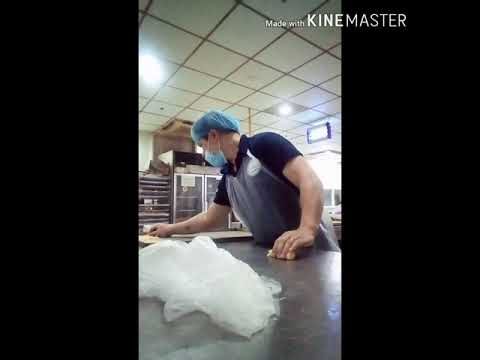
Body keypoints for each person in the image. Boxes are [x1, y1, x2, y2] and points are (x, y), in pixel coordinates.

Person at [148, 110, 340, 258]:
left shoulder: (264, 144)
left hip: (315, 253)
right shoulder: (229, 177)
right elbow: (210, 219)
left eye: (202, 144)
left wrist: (307, 228)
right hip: (279, 255)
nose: (204, 152)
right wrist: (170, 228)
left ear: (214, 135)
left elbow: (310, 180)